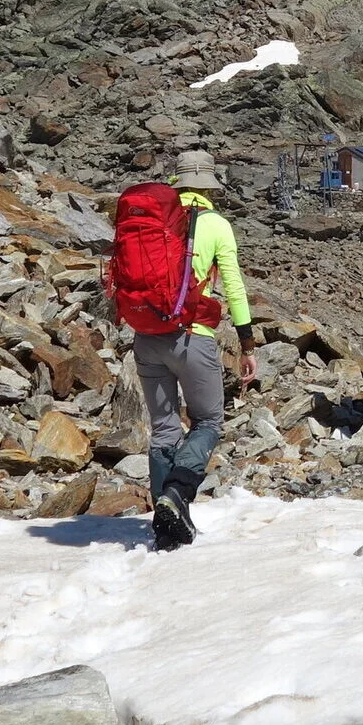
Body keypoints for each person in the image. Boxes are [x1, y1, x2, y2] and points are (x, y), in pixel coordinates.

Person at [134, 149, 257, 549]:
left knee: (164, 428)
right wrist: (246, 342)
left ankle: (164, 523)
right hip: (193, 336)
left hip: (147, 336)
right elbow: (234, 286)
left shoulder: (149, 221)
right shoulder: (216, 224)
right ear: (209, 186)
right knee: (208, 422)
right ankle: (178, 493)